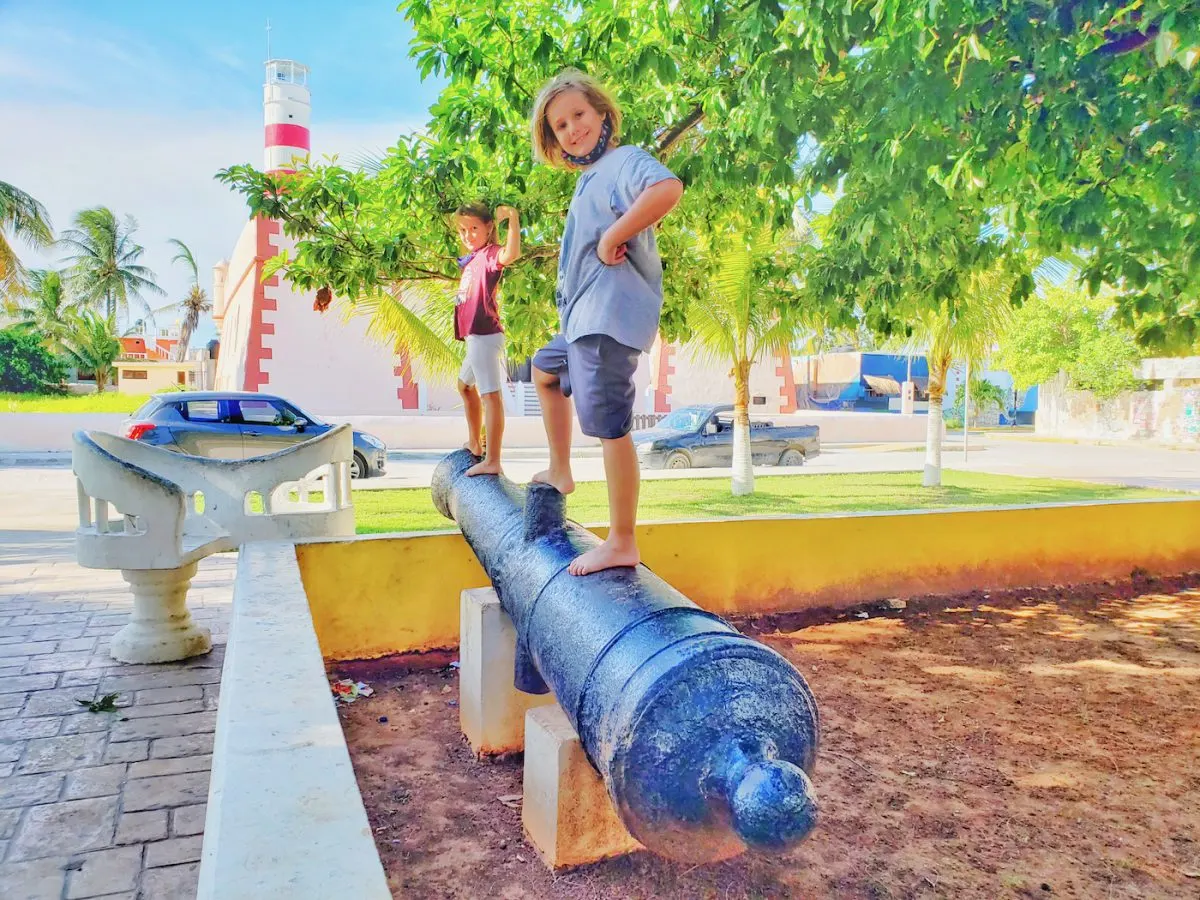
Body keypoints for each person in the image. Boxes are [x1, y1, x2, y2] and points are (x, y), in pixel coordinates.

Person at [528, 69, 684, 575]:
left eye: (579, 115)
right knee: (543, 370)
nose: (572, 129)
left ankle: (622, 539)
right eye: (560, 125)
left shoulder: (625, 161)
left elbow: (666, 188)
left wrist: (612, 234)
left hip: (608, 320)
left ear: (602, 115)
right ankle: (561, 469)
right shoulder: (587, 180)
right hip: (581, 321)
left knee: (610, 427)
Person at [453, 203, 520, 477]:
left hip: (484, 335)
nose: (468, 235)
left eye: (474, 228)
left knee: (490, 397)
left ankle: (493, 459)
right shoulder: (473, 258)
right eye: (462, 230)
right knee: (465, 387)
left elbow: (511, 253)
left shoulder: (491, 254)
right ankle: (475, 444)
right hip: (474, 337)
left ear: (489, 228)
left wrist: (513, 219)